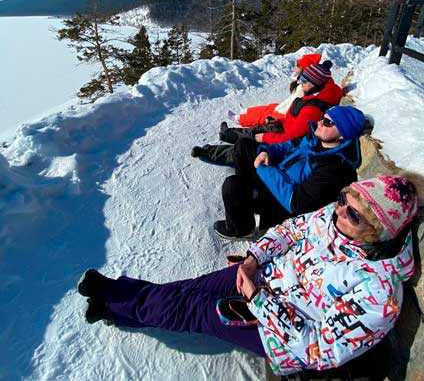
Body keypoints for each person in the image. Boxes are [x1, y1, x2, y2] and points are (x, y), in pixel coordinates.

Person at [76, 175, 419, 377]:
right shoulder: (334, 216)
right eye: (344, 197)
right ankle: (117, 297)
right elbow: (292, 229)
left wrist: (260, 301)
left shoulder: (380, 294)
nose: (340, 210)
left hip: (277, 332)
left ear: (379, 230)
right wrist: (256, 258)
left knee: (191, 310)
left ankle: (114, 305)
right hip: (262, 275)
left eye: (354, 214)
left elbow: (319, 349)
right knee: (188, 290)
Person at [214, 105, 365, 239]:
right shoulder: (315, 139)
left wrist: (263, 168)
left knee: (232, 185)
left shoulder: (334, 168)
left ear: (343, 135)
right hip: (278, 175)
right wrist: (266, 152)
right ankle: (244, 204)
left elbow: (296, 202)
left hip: (283, 203)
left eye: (327, 122)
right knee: (243, 145)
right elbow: (286, 146)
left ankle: (241, 228)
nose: (319, 123)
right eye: (322, 118)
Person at [191, 61, 344, 165]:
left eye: (305, 80)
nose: (300, 82)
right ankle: (228, 134)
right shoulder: (317, 92)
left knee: (247, 148)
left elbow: (291, 138)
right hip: (285, 128)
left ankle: (208, 153)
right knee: (259, 128)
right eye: (301, 78)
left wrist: (265, 138)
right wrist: (277, 122)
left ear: (316, 84)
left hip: (288, 144)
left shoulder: (313, 108)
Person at [228, 52, 322, 127]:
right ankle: (247, 112)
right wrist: (278, 107)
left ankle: (241, 119)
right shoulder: (302, 81)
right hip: (285, 109)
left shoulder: (304, 88)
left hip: (286, 115)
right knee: (270, 107)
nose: (294, 67)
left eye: (297, 66)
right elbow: (290, 100)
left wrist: (278, 111)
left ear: (304, 70)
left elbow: (293, 105)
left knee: (266, 115)